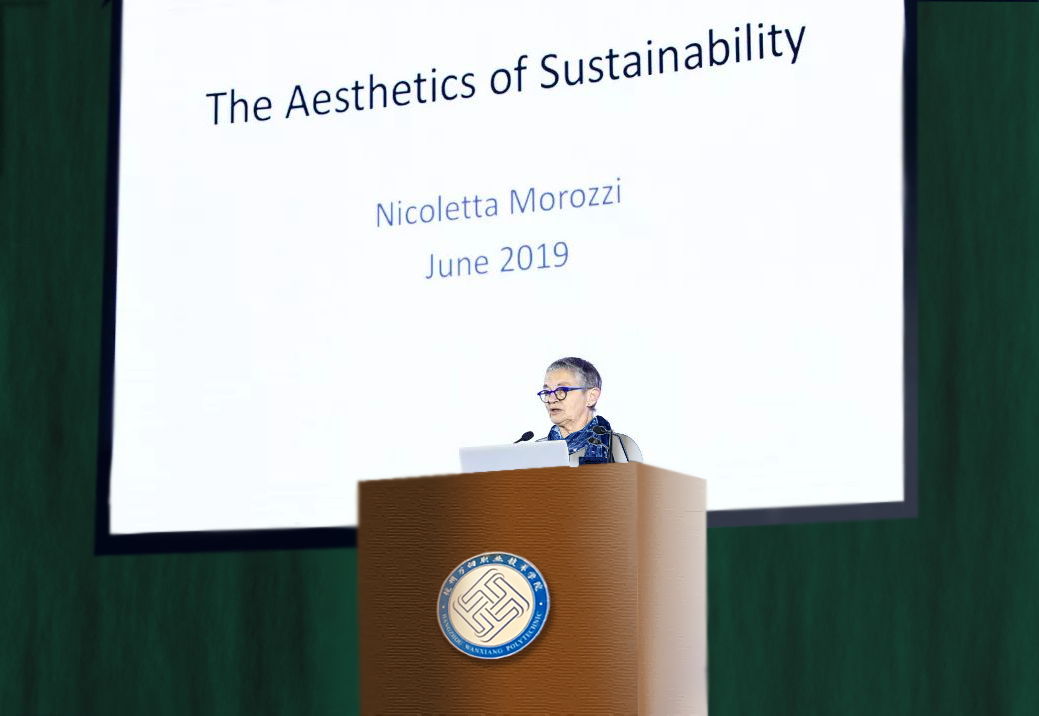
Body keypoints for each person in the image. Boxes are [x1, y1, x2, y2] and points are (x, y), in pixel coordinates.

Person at [538, 357, 615, 465]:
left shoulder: (619, 446)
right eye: (547, 392)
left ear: (591, 397)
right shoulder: (536, 452)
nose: (551, 399)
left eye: (562, 390)